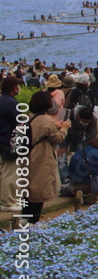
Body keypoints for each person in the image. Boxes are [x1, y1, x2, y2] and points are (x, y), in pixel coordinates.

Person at [22, 90, 70, 223]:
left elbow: (39, 129)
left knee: (28, 190)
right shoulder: (47, 120)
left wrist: (55, 126)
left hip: (28, 156)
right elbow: (57, 139)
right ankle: (33, 223)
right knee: (39, 191)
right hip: (41, 158)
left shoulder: (29, 116)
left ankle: (24, 221)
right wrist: (64, 128)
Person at [0, 76, 22, 212]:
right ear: (14, 88)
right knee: (10, 172)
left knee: (3, 171)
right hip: (9, 140)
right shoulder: (12, 103)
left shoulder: (1, 100)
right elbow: (19, 124)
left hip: (2, 139)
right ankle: (8, 202)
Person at [68, 137, 98, 203]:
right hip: (92, 185)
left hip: (75, 186)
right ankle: (91, 195)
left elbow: (70, 171)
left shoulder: (77, 153)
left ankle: (79, 195)